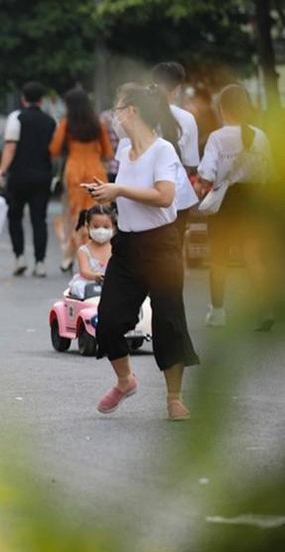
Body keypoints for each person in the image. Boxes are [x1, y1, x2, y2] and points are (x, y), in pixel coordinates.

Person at [85, 83, 199, 421]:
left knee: (168, 321)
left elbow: (165, 197)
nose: (115, 117)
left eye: (119, 109)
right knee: (107, 322)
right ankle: (125, 381)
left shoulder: (163, 150)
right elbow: (130, 193)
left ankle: (174, 398)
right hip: (128, 246)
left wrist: (119, 189)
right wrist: (107, 193)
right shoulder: (122, 149)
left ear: (132, 112)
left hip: (161, 245)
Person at [196, 84, 275, 331]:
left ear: (222, 108)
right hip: (253, 202)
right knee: (253, 255)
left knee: (219, 258)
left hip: (226, 203)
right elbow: (270, 174)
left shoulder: (217, 138)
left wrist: (202, 185)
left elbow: (207, 175)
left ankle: (218, 313)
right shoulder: (260, 136)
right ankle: (265, 308)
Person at [0, 82, 56, 277]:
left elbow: (10, 147)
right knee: (39, 219)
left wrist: (0, 172)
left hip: (18, 177)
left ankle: (19, 257)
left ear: (23, 99)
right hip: (43, 176)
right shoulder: (51, 121)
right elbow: (54, 151)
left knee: (15, 216)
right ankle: (40, 262)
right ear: (42, 100)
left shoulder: (16, 118)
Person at [49, 88, 114, 272]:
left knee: (75, 215)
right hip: (95, 171)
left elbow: (54, 149)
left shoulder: (66, 124)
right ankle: (94, 256)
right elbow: (108, 152)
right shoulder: (97, 124)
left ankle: (70, 256)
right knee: (97, 213)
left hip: (74, 172)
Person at [151, 62, 201, 243]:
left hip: (145, 193)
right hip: (177, 194)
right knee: (175, 248)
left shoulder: (140, 115)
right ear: (177, 89)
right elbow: (190, 164)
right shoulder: (187, 119)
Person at [67, 205, 114, 299]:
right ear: (88, 227)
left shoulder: (115, 248)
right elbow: (84, 271)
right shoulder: (84, 251)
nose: (101, 231)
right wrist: (95, 276)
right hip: (90, 283)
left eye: (106, 227)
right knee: (79, 287)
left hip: (112, 283)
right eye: (96, 227)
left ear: (113, 227)